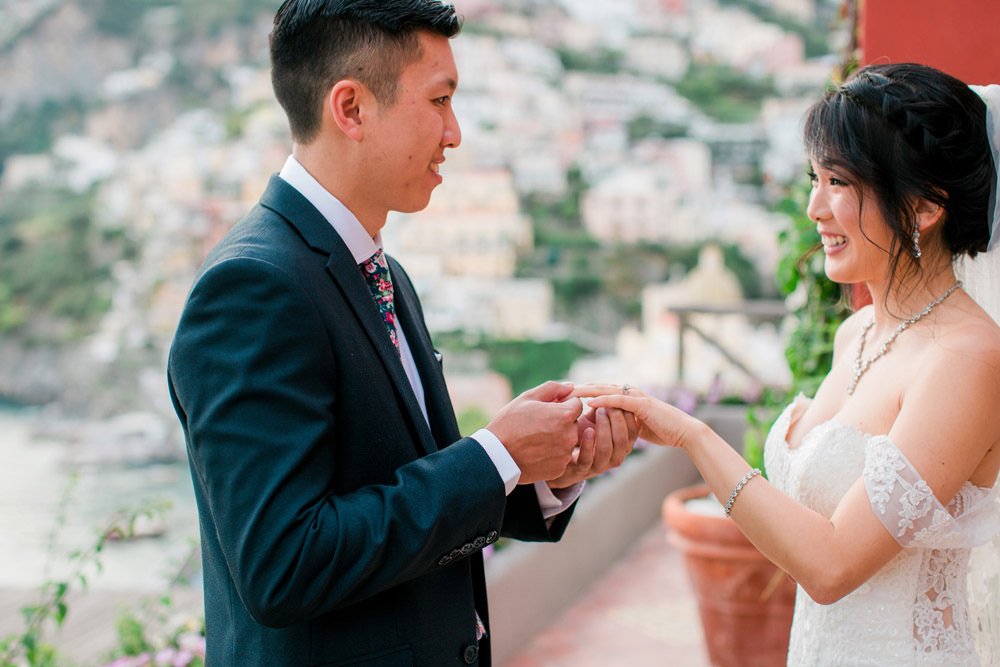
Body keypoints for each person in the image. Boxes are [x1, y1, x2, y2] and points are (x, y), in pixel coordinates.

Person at [166, 1, 637, 664]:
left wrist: (546, 469)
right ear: (351, 109)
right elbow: (283, 562)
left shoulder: (384, 271)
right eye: (440, 100)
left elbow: (405, 479)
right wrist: (496, 455)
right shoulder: (252, 287)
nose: (456, 132)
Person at [578, 63, 1000, 665]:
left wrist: (691, 435)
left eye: (839, 182)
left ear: (924, 207)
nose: (813, 208)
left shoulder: (968, 358)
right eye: (815, 178)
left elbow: (830, 566)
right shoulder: (855, 334)